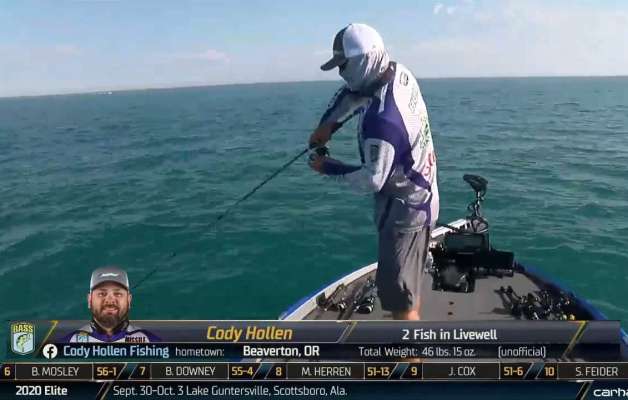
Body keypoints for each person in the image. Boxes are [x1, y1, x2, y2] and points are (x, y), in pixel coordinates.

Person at [309, 23, 439, 320]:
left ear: (362, 61)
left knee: (401, 306)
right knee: (406, 291)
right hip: (421, 196)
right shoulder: (396, 72)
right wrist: (328, 125)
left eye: (343, 65)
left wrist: (327, 167)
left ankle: (409, 347)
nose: (340, 72)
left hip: (406, 215)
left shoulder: (384, 122)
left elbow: (372, 179)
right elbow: (354, 93)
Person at [65, 266, 159, 342]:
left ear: (129, 300)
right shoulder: (67, 343)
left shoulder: (151, 342)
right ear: (89, 300)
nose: (110, 300)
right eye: (102, 294)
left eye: (118, 294)